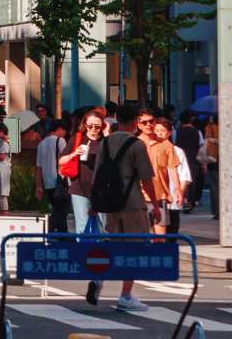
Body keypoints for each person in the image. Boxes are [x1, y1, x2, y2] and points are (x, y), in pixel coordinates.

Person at [86, 104, 154, 312]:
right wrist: (156, 203)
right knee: (134, 249)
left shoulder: (105, 142)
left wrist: (94, 203)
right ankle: (125, 295)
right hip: (133, 203)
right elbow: (146, 178)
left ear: (116, 118)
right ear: (135, 122)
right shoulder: (137, 145)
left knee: (112, 246)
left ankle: (98, 278)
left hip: (110, 204)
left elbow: (97, 176)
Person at [67, 110, 106, 236]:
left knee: (102, 226)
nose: (94, 129)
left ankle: (102, 253)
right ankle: (82, 253)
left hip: (102, 190)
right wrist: (74, 154)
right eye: (90, 126)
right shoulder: (78, 139)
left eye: (97, 126)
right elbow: (61, 160)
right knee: (82, 226)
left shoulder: (106, 142)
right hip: (79, 187)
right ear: (85, 125)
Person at [37, 120, 69, 232]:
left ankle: (63, 236)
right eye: (65, 131)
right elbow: (65, 161)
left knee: (58, 209)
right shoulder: (60, 141)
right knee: (62, 211)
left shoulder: (41, 144)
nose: (65, 133)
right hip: (60, 181)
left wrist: (39, 186)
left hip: (47, 182)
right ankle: (48, 231)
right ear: (59, 129)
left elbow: (38, 167)